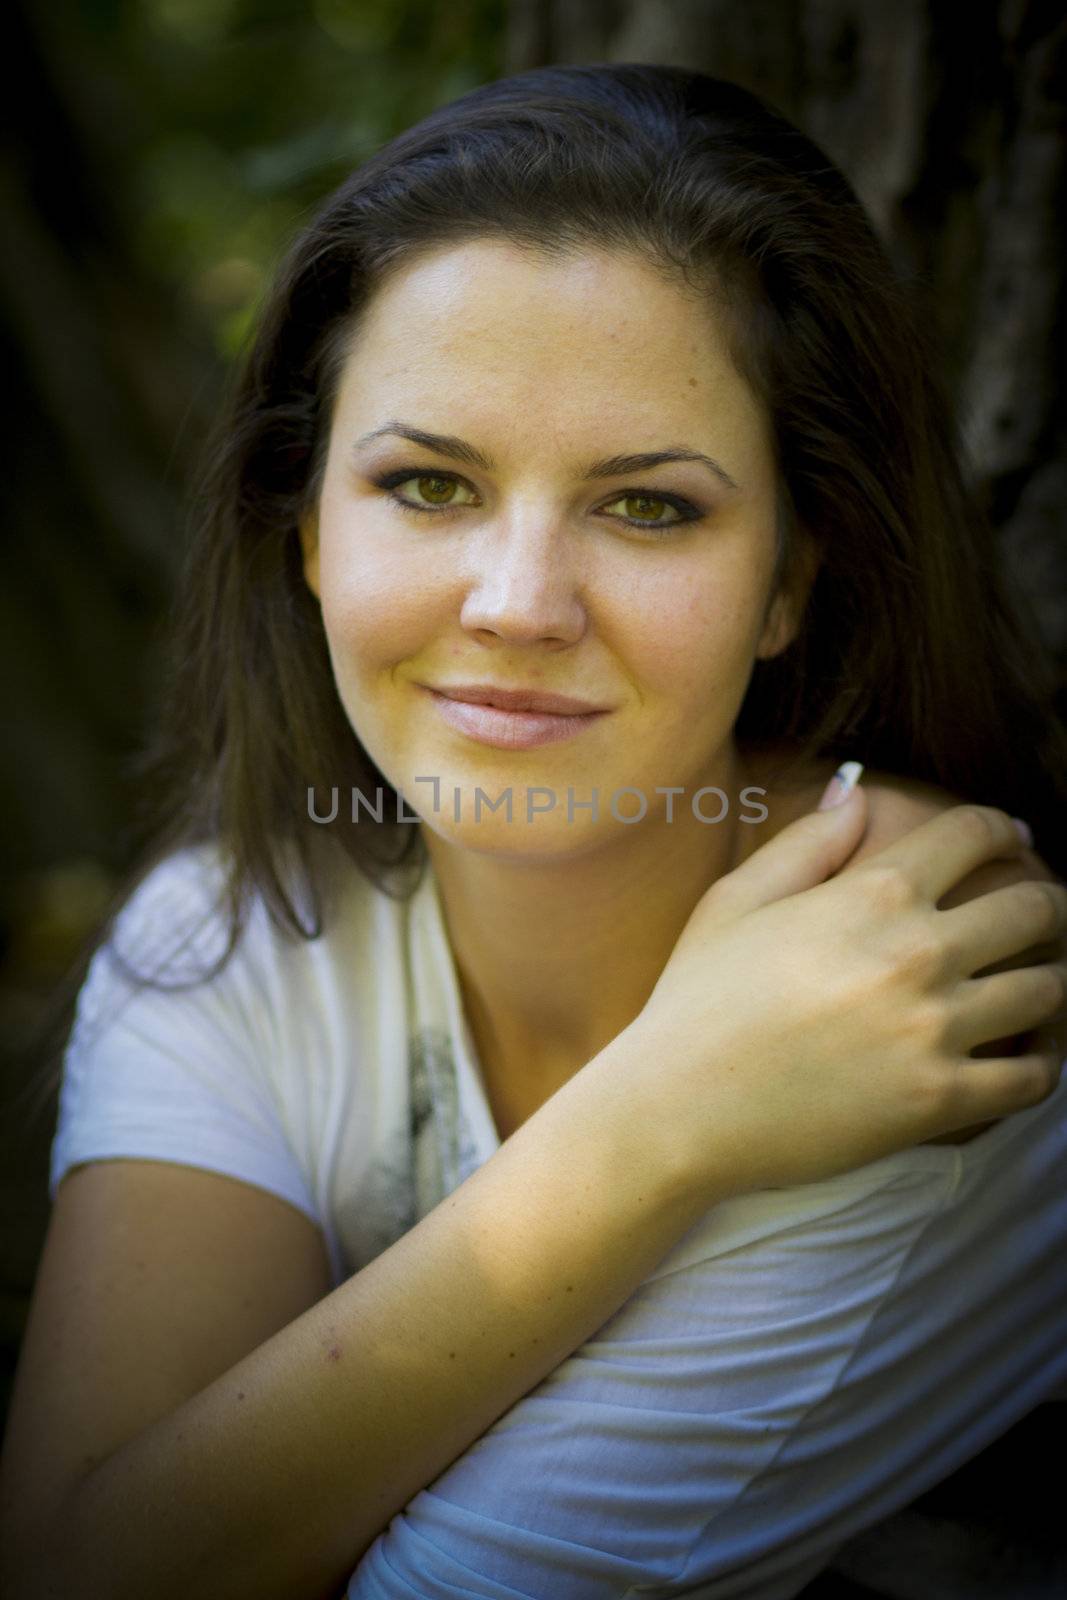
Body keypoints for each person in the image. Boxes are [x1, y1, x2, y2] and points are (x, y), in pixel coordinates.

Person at [2, 60, 1066, 1600]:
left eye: (648, 509)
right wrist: (658, 1120)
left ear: (790, 580)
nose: (515, 606)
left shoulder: (918, 990)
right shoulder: (233, 926)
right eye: (428, 485)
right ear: (305, 533)